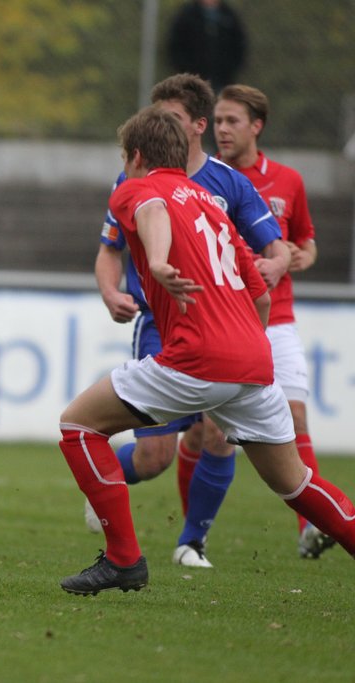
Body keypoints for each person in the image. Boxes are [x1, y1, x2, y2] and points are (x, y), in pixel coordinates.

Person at [59, 105, 355, 596]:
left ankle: (123, 560)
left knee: (78, 427)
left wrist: (157, 261)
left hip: (195, 357)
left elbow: (153, 211)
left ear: (137, 156)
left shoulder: (136, 187)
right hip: (254, 359)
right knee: (296, 483)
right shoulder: (211, 205)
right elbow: (261, 295)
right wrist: (246, 350)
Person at [92, 73, 290, 568]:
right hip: (161, 325)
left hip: (220, 329)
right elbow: (110, 248)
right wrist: (111, 291)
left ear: (197, 126)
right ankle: (104, 480)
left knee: (216, 436)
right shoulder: (134, 179)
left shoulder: (229, 182)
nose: (161, 125)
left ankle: (192, 542)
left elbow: (275, 247)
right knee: (153, 458)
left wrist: (276, 265)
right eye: (157, 116)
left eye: (173, 118)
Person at [214, 84, 334, 559]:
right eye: (217, 121)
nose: (221, 129)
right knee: (207, 436)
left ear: (256, 126)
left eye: (232, 121)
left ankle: (311, 528)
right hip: (222, 318)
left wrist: (299, 257)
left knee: (295, 415)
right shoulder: (204, 178)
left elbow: (306, 239)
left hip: (277, 317)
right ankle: (192, 537)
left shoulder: (288, 180)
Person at [168, 0, 247, 94]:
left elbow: (239, 45)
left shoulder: (229, 15)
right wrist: (186, 70)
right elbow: (175, 46)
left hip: (222, 80)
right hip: (192, 80)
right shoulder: (187, 15)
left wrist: (229, 69)